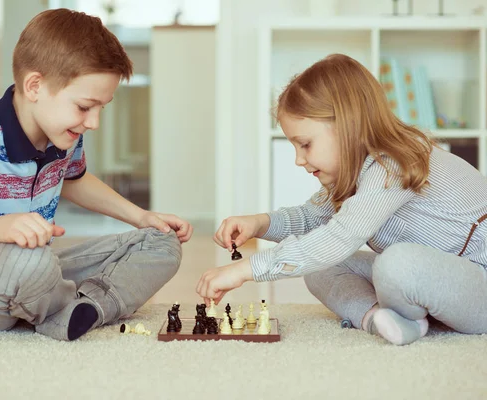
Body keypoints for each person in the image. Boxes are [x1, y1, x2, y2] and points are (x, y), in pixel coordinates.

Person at [0, 9, 192, 341]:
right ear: (35, 86)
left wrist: (141, 216)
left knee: (161, 242)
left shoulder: (62, 131)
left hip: (34, 268)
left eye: (102, 108)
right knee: (30, 264)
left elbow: (74, 180)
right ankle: (61, 308)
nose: (94, 122)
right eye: (85, 107)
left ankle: (77, 307)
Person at [196, 53, 487, 345]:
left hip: (479, 286)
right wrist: (259, 224)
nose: (299, 159)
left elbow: (340, 237)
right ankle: (380, 319)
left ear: (349, 126)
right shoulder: (354, 173)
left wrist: (246, 269)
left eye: (305, 144)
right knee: (321, 266)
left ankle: (412, 310)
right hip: (435, 284)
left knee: (396, 264)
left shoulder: (394, 163)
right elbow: (311, 219)